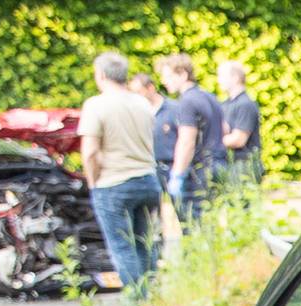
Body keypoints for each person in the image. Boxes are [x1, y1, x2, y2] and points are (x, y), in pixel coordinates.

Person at [78, 53, 163, 290]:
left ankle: (137, 303)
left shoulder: (96, 105)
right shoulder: (142, 103)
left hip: (113, 183)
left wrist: (93, 183)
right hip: (147, 180)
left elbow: (90, 152)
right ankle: (152, 301)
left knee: (122, 247)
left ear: (102, 75)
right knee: (145, 244)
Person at [153, 54, 223, 221]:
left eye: (168, 76)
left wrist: (177, 174)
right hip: (217, 165)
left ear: (183, 74)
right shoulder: (209, 96)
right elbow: (225, 128)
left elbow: (186, 141)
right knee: (209, 221)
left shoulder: (187, 101)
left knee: (192, 225)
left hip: (198, 172)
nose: (164, 81)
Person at [214, 59, 262, 184]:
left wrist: (211, 143)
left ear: (235, 77)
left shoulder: (245, 104)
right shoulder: (224, 104)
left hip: (244, 167)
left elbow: (238, 140)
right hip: (228, 165)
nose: (219, 80)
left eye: (222, 76)